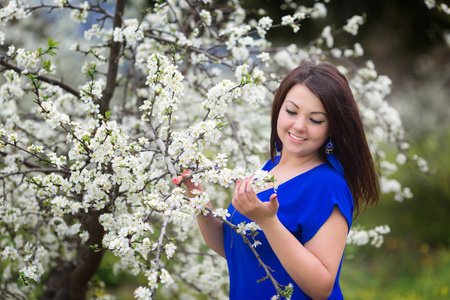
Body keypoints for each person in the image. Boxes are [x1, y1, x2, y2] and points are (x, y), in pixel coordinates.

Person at [173, 61, 379, 300]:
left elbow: (322, 287)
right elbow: (231, 247)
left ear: (331, 128)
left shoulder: (328, 186)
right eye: (291, 112)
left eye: (315, 120)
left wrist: (268, 222)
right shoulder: (269, 170)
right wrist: (197, 196)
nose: (299, 126)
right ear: (278, 109)